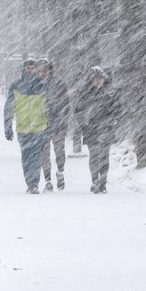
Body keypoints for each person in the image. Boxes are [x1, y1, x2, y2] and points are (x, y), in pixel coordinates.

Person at [4, 59, 49, 194]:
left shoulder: (42, 85)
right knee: (26, 156)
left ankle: (34, 184)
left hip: (39, 127)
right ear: (24, 70)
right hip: (23, 128)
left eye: (32, 68)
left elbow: (50, 106)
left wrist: (51, 125)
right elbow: (8, 108)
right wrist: (8, 127)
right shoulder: (16, 86)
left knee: (35, 156)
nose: (30, 70)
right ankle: (29, 182)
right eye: (28, 68)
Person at [76, 66, 121, 194]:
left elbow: (117, 109)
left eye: (99, 79)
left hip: (106, 128)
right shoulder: (85, 93)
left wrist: (113, 121)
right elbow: (78, 111)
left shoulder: (110, 93)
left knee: (104, 157)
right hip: (91, 128)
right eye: (94, 79)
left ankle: (103, 183)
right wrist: (83, 123)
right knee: (94, 156)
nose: (97, 81)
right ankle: (95, 181)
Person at [38, 59, 70, 192]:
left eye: (45, 69)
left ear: (50, 70)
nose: (42, 72)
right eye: (40, 70)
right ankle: (48, 180)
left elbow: (65, 104)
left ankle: (60, 172)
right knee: (44, 154)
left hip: (57, 123)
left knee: (59, 151)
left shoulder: (59, 84)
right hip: (41, 124)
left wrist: (63, 120)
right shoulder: (34, 85)